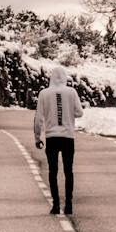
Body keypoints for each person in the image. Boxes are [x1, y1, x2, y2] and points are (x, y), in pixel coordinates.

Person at [33, 66, 83, 215]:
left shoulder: (44, 94)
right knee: (69, 171)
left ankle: (55, 205)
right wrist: (68, 111)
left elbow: (38, 118)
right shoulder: (71, 92)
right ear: (65, 77)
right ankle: (68, 205)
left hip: (51, 138)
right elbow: (79, 112)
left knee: (53, 171)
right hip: (68, 137)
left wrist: (37, 137)